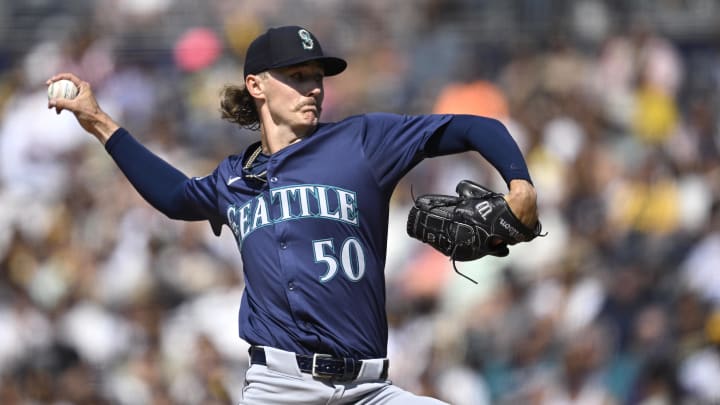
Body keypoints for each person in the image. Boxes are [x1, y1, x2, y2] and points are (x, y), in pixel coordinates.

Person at [48, 25, 538, 405]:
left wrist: (519, 185)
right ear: (256, 85)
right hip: (279, 388)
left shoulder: (362, 141)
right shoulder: (233, 179)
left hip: (370, 388)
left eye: (317, 78)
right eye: (297, 77)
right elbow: (176, 196)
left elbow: (474, 126)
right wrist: (98, 121)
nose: (314, 89)